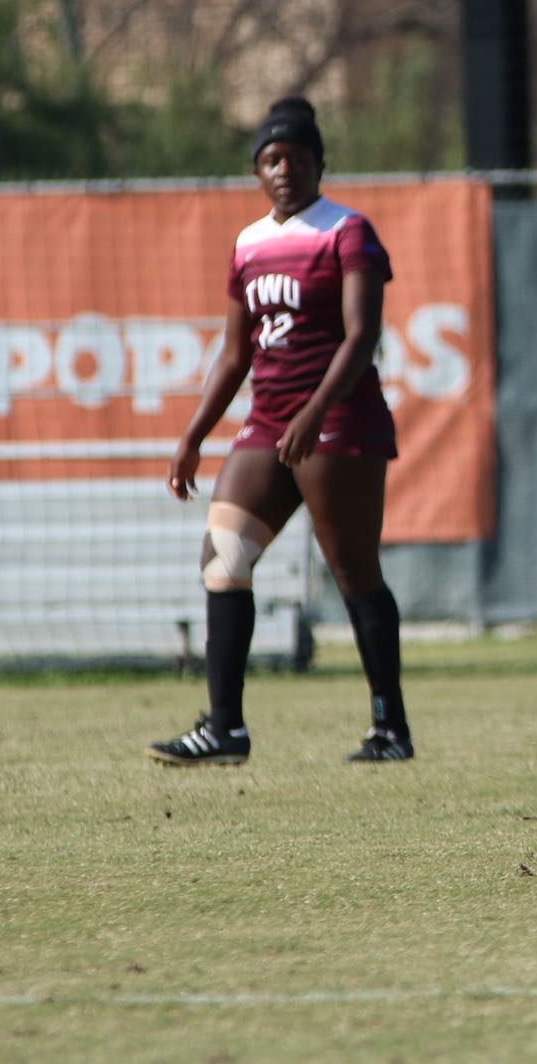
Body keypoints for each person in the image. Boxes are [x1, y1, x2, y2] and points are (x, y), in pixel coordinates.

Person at [149, 96, 412, 766]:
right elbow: (236, 354)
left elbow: (363, 337)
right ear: (257, 171)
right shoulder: (248, 243)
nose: (284, 169)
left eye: (297, 158)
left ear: (321, 165)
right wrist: (193, 435)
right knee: (223, 561)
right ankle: (226, 730)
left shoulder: (347, 231)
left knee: (354, 571)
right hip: (269, 424)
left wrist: (316, 410)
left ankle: (390, 728)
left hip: (339, 418)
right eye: (271, 159)